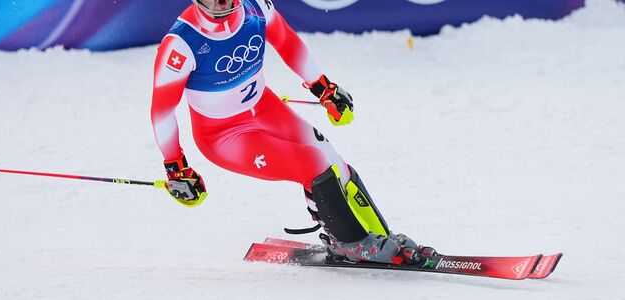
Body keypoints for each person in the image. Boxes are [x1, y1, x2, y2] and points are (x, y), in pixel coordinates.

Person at [150, 0, 434, 265]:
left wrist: (323, 88)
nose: (220, 2)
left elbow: (287, 41)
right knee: (313, 164)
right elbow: (162, 111)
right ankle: (349, 242)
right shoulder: (180, 45)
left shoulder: (256, 7)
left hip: (265, 108)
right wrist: (176, 168)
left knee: (332, 160)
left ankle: (380, 237)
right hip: (223, 135)